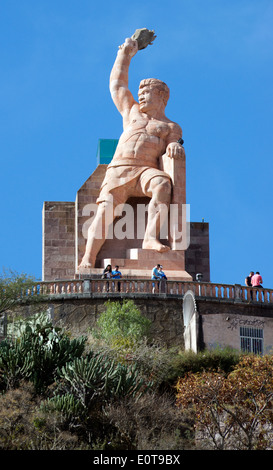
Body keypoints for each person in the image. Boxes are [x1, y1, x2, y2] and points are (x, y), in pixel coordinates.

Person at [79, 36, 184, 269]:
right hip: (120, 168)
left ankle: (150, 237)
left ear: (162, 96)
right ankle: (88, 258)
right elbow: (117, 85)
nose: (142, 95)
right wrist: (125, 54)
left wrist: (174, 146)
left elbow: (172, 144)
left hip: (147, 170)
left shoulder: (170, 127)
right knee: (105, 211)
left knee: (163, 185)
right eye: (140, 91)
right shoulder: (132, 112)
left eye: (147, 91)